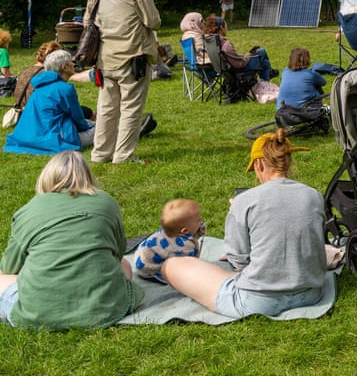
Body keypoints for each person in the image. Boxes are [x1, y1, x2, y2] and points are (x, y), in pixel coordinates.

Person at [162, 130, 326, 319]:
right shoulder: (313, 196)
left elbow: (238, 261)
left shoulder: (245, 202)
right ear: (288, 160)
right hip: (310, 293)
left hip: (256, 301)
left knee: (171, 265)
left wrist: (237, 213)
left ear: (258, 165)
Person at [0, 151, 144, 330]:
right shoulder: (107, 203)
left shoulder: (28, 210)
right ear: (87, 175)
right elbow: (119, 251)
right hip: (106, 310)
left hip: (35, 313)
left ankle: (10, 309)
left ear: (46, 176)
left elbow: (9, 266)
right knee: (124, 264)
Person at [84, 0, 161, 165]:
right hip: (131, 56)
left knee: (106, 108)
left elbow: (87, 21)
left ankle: (100, 154)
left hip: (103, 58)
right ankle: (123, 156)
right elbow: (153, 21)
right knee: (131, 108)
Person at [4, 50, 96, 155]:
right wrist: (89, 128)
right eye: (71, 62)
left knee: (94, 124)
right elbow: (78, 120)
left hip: (30, 136)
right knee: (103, 129)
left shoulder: (39, 87)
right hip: (54, 140)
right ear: (64, 67)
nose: (74, 64)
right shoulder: (64, 89)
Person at [133, 199, 206, 283]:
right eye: (198, 220)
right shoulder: (183, 249)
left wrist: (199, 230)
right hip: (148, 268)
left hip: (140, 256)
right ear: (185, 231)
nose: (201, 219)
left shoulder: (170, 230)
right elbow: (187, 266)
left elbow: (190, 235)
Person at [205, 14, 274, 81]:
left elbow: (232, 58)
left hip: (224, 70)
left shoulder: (211, 42)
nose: (227, 29)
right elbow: (239, 64)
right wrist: (248, 56)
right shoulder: (226, 45)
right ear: (221, 27)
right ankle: (268, 76)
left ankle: (267, 77)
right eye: (226, 26)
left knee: (265, 63)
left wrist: (245, 55)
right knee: (261, 51)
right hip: (238, 71)